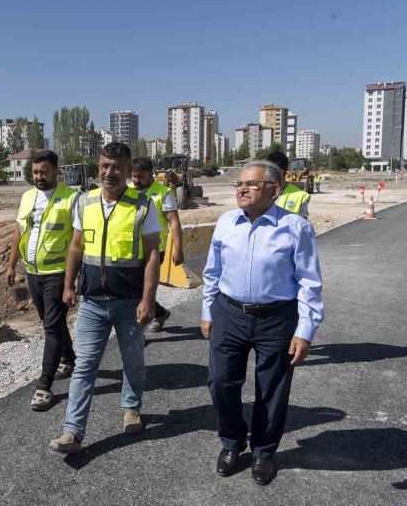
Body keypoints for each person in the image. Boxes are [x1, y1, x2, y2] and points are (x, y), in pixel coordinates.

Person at [201, 160, 324, 485]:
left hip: (277, 318)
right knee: (220, 382)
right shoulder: (226, 222)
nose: (242, 189)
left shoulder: (296, 228)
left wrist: (305, 330)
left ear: (274, 190)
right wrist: (206, 310)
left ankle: (264, 451)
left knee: (272, 389)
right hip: (228, 312)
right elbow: (212, 271)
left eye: (252, 185)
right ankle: (232, 440)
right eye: (239, 184)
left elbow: (309, 283)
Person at [48, 142, 160, 454]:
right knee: (85, 366)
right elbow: (76, 247)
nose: (109, 173)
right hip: (93, 302)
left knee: (133, 359)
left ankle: (131, 408)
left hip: (129, 301)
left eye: (117, 167)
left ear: (128, 171)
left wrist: (148, 299)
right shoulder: (84, 202)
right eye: (104, 166)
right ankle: (73, 431)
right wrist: (68, 285)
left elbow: (153, 255)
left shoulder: (143, 206)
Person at [6, 150, 78, 412]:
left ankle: (44, 386)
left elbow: (77, 242)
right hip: (33, 271)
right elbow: (19, 231)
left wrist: (73, 279)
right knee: (52, 323)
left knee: (51, 326)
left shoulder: (71, 198)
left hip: (58, 273)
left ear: (56, 172)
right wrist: (12, 264)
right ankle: (70, 359)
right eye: (35, 172)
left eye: (43, 172)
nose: (38, 176)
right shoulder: (27, 197)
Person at [130, 157, 184, 331]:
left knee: (139, 289)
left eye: (141, 177)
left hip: (154, 250)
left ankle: (138, 333)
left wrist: (178, 249)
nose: (137, 181)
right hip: (131, 249)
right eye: (134, 176)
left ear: (151, 175)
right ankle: (159, 313)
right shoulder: (129, 191)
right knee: (136, 289)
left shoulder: (163, 193)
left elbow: (174, 222)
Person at [266, 150, 311, 218]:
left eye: (269, 171)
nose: (265, 175)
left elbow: (302, 225)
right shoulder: (261, 193)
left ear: (280, 172)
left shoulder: (301, 197)